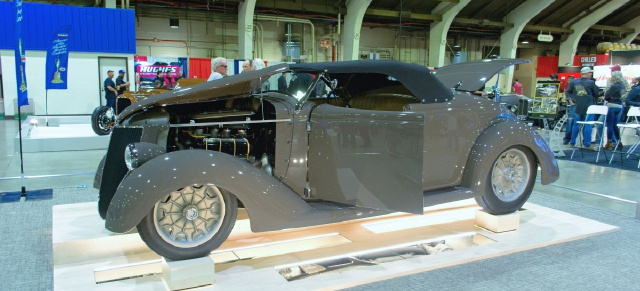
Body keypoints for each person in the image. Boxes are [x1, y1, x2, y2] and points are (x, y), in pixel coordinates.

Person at [566, 67, 600, 149]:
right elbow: (597, 93)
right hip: (589, 107)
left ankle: (572, 142)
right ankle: (587, 143)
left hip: (577, 105)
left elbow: (567, 91)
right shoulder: (591, 82)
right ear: (587, 73)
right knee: (588, 125)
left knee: (576, 125)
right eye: (590, 73)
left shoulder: (574, 82)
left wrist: (570, 100)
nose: (591, 74)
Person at [603, 70, 625, 149]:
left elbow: (606, 96)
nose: (611, 77)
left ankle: (609, 142)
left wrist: (610, 97)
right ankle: (618, 141)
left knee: (609, 125)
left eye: (612, 76)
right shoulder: (623, 85)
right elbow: (622, 95)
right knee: (616, 125)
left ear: (616, 77)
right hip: (619, 106)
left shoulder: (614, 86)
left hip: (612, 106)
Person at [563, 75, 576, 144]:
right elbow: (567, 92)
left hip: (583, 105)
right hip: (574, 104)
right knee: (570, 121)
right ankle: (567, 138)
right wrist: (570, 101)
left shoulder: (590, 82)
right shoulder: (574, 83)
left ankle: (569, 139)